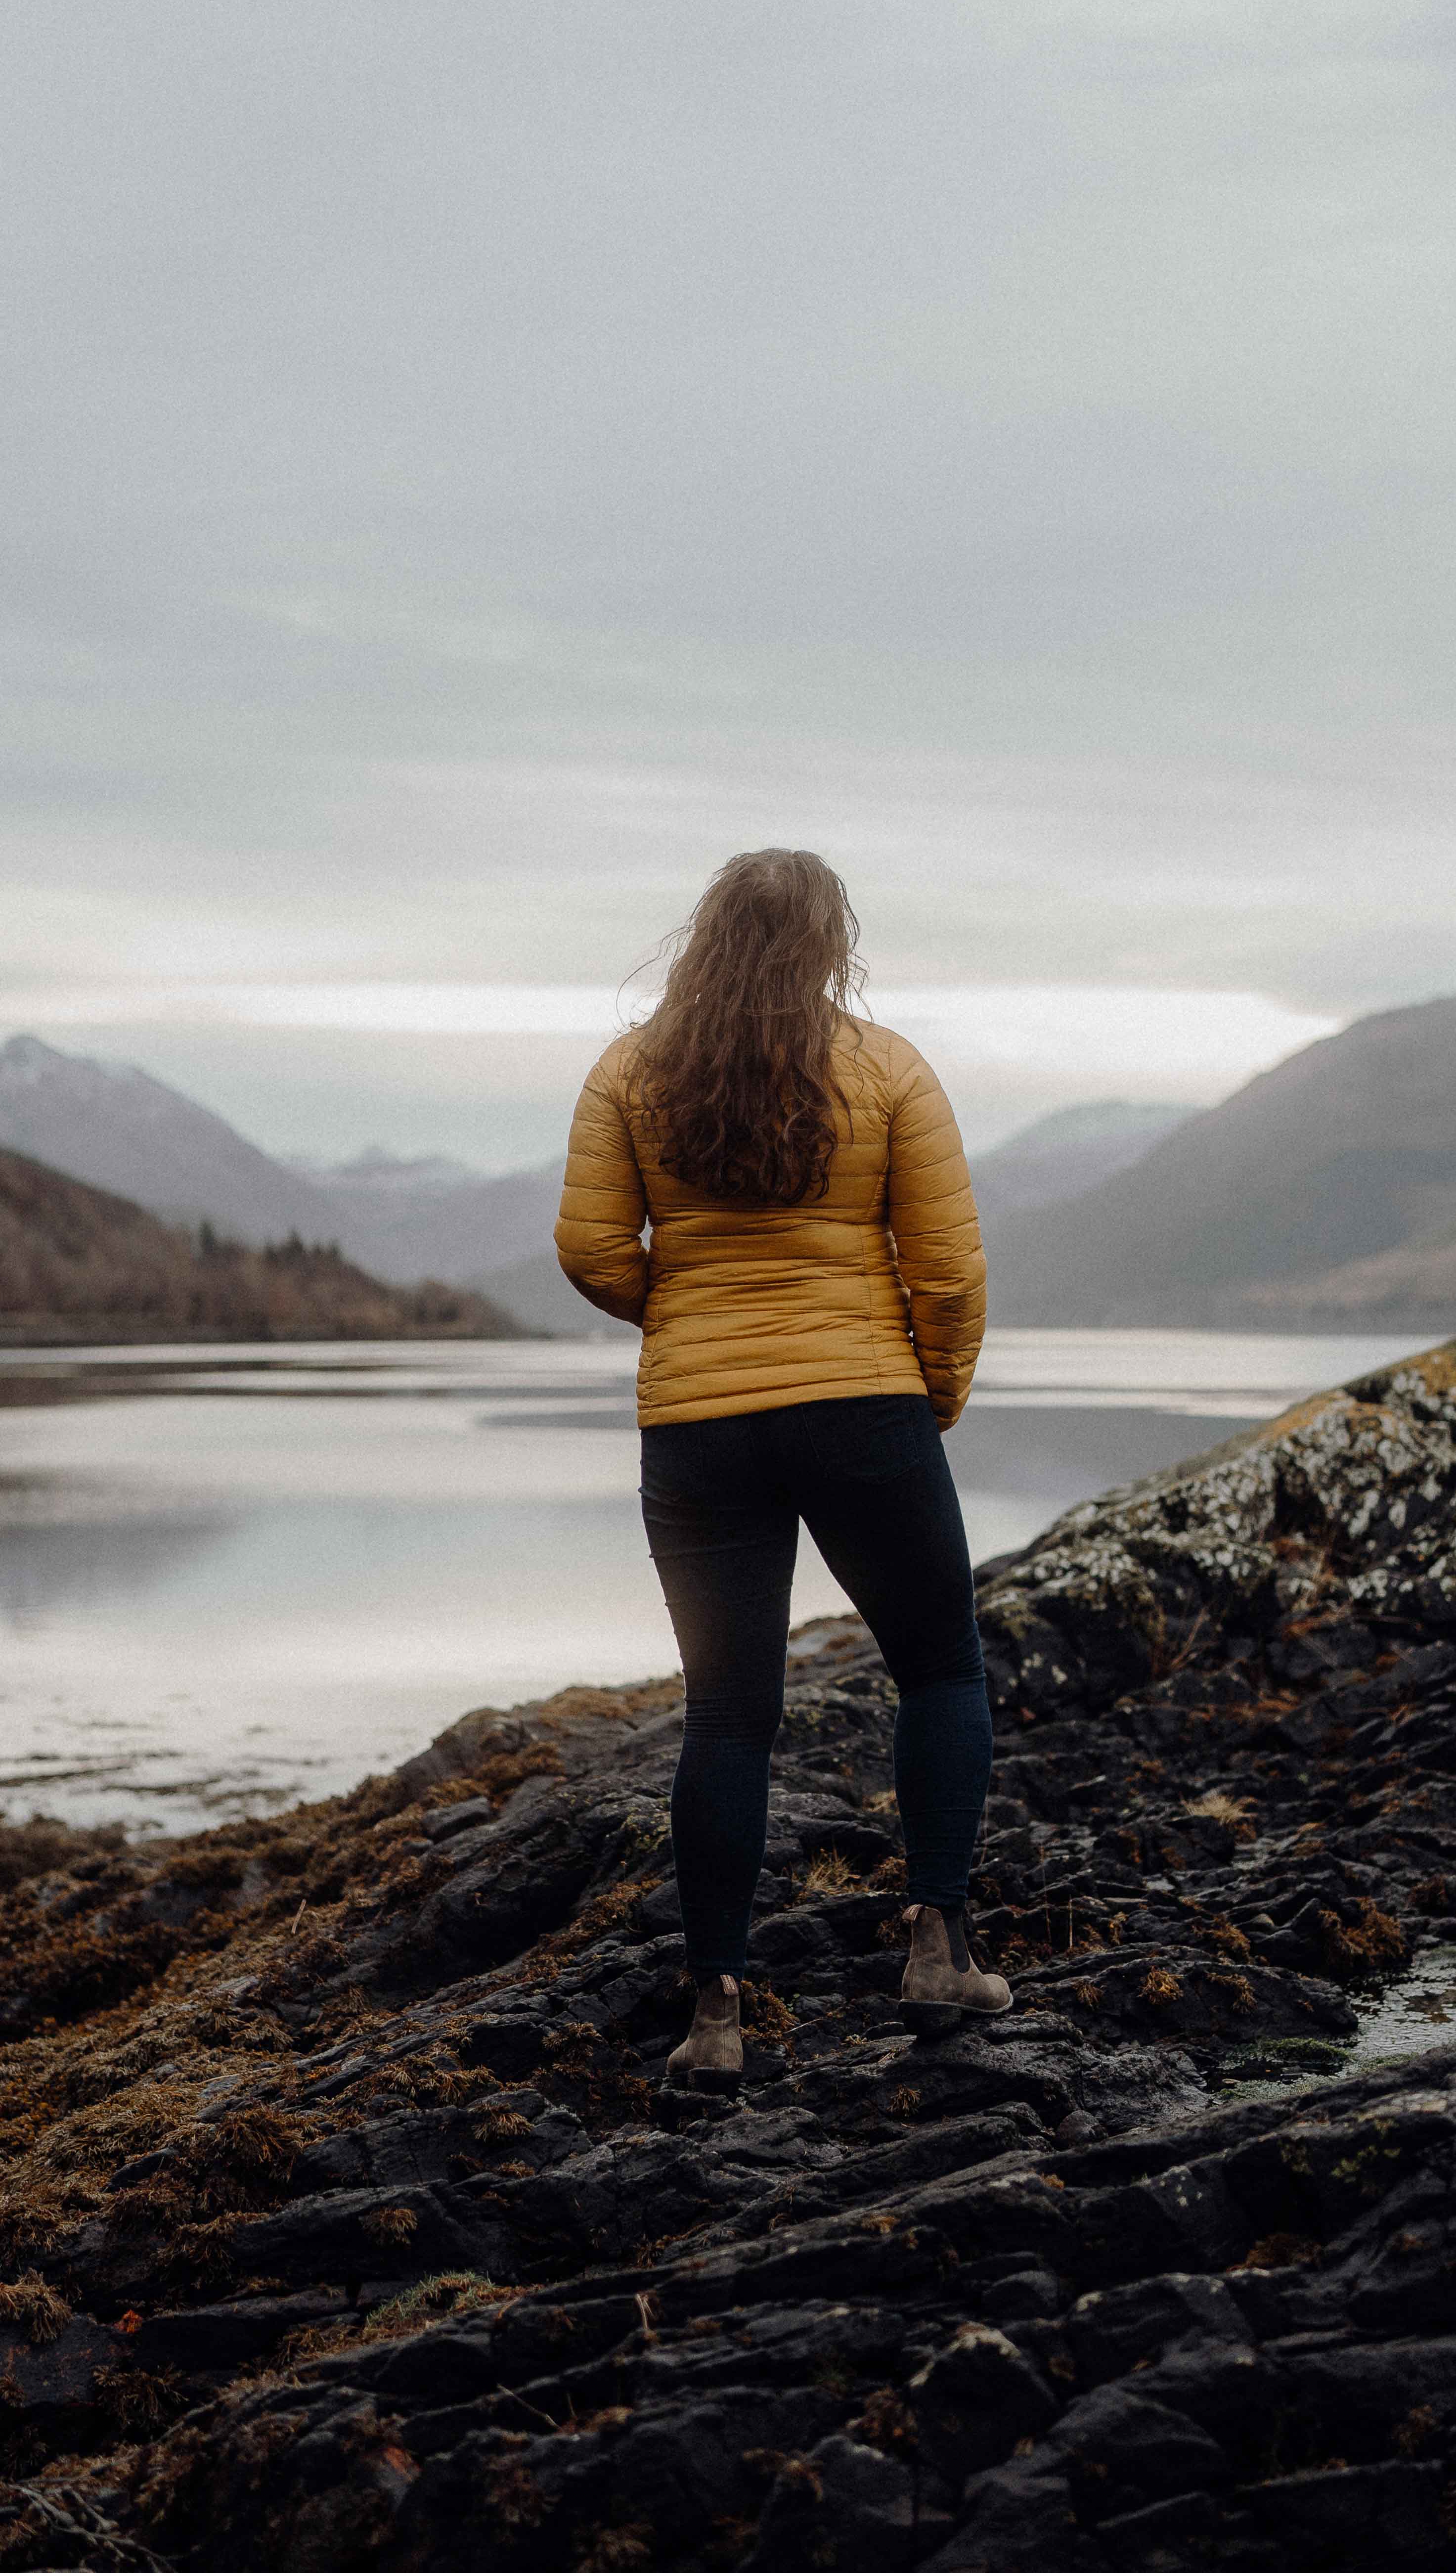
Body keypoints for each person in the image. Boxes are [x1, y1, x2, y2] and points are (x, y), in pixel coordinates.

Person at [554, 848, 1009, 2093]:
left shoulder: (629, 1071)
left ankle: (713, 2018)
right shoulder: (887, 1066)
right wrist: (936, 1394)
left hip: (700, 1430)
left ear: (704, 939)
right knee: (939, 1667)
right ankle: (935, 1950)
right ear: (827, 944)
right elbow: (949, 1272)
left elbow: (591, 1248)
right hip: (867, 1404)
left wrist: (687, 1315)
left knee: (729, 1716)